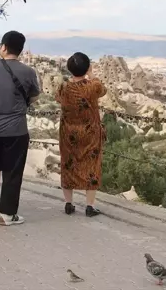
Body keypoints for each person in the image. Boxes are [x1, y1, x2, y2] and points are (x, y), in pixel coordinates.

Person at [0, 31, 39, 226]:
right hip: (16, 130)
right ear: (19, 50)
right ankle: (7, 214)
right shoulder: (28, 72)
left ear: (3, 47)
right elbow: (35, 97)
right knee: (12, 172)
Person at [56, 52, 107, 217]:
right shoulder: (93, 86)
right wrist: (91, 75)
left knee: (68, 164)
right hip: (90, 132)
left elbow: (58, 98)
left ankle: (68, 204)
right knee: (91, 165)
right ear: (87, 68)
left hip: (68, 132)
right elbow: (103, 90)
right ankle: (89, 206)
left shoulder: (63, 87)